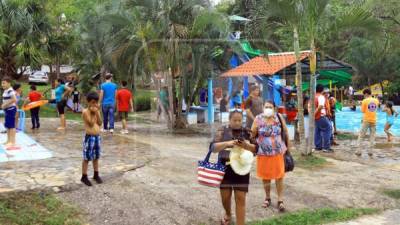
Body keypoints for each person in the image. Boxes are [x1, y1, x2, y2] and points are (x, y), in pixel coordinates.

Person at [211, 110, 256, 225]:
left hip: (242, 169)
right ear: (229, 120)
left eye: (239, 120)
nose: (237, 123)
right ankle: (228, 213)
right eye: (234, 120)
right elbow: (213, 147)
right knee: (225, 198)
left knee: (240, 199)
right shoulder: (222, 130)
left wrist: (246, 145)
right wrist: (227, 143)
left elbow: (256, 149)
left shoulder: (247, 132)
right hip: (225, 168)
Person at [251, 101, 289, 212]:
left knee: (279, 176)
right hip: (263, 152)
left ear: (274, 108)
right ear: (263, 107)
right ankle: (267, 198)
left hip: (278, 152)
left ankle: (280, 200)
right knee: (265, 176)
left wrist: (288, 149)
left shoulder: (279, 117)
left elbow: (285, 132)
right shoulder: (258, 119)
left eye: (270, 107)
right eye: (266, 107)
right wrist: (253, 133)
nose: (268, 108)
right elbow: (252, 134)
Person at [81, 92, 103, 186]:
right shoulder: (85, 112)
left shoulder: (96, 111)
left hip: (97, 137)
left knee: (96, 157)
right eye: (93, 102)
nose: (95, 104)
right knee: (87, 157)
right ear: (88, 102)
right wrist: (93, 112)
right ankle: (84, 176)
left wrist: (97, 112)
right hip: (89, 138)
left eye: (96, 102)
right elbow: (91, 123)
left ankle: (96, 174)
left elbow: (100, 122)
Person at [356, 89, 379, 156]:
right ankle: (370, 151)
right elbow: (375, 110)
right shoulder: (376, 100)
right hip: (374, 120)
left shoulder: (365, 101)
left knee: (361, 136)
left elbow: (363, 111)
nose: (363, 96)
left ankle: (359, 151)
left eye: (364, 94)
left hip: (366, 120)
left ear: (366, 94)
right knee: (372, 136)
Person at [314, 85, 333, 153]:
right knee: (328, 129)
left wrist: (313, 115)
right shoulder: (321, 97)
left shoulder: (313, 96)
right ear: (322, 90)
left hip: (316, 117)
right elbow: (321, 106)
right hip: (320, 116)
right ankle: (326, 147)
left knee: (317, 131)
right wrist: (314, 114)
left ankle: (318, 146)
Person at [2, 77, 18, 148]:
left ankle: (13, 142)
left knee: (11, 126)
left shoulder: (10, 90)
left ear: (9, 83)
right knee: (8, 126)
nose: (2, 85)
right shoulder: (6, 90)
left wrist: (5, 104)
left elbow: (14, 99)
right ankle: (8, 140)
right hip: (7, 110)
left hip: (11, 109)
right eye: (2, 83)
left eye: (4, 83)